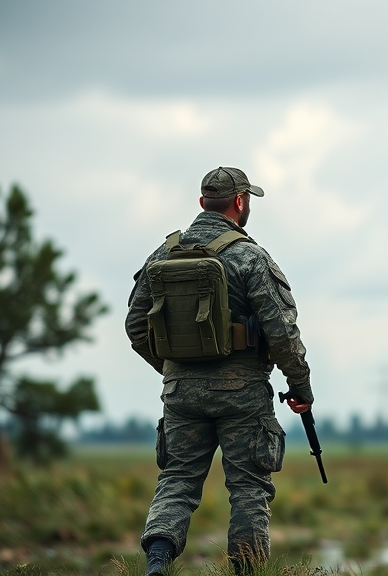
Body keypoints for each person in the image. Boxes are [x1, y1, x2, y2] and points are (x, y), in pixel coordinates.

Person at [125, 166, 314, 576]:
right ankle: (246, 572)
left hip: (180, 393)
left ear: (201, 203)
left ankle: (157, 562)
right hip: (241, 392)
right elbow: (282, 331)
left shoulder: (164, 253)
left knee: (177, 479)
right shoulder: (250, 256)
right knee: (248, 487)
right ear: (240, 202)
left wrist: (175, 369)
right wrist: (299, 384)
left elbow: (135, 326)